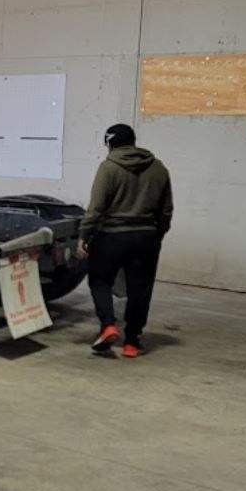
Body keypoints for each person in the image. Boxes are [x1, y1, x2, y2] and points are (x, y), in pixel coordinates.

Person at [76, 124, 173, 358]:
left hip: (112, 235)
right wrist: (157, 233)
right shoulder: (159, 168)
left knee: (100, 280)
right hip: (146, 237)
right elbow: (166, 209)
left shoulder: (109, 168)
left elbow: (96, 207)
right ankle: (132, 341)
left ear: (110, 143)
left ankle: (108, 325)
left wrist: (84, 235)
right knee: (140, 287)